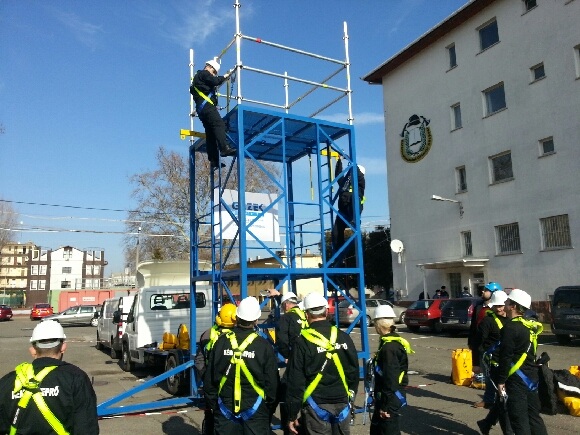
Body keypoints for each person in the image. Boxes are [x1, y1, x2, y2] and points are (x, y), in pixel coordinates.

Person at [0, 320, 99, 434]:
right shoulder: (76, 378)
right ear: (63, 347)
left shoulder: (7, 381)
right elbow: (86, 428)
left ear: (32, 350)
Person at [285, 293, 359, 435]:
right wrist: (350, 398)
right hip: (342, 402)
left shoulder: (302, 342)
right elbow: (353, 372)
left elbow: (295, 381)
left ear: (307, 315)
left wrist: (292, 414)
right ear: (326, 311)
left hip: (316, 406)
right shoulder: (344, 337)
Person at [204, 296, 279, 435]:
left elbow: (209, 380)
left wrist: (215, 406)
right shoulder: (263, 346)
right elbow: (272, 384)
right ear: (256, 320)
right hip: (255, 411)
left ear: (237, 317)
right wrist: (267, 408)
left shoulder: (220, 342)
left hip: (225, 409)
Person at [496, 289, 548, 435]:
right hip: (531, 377)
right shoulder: (528, 327)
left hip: (516, 380)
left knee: (519, 420)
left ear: (513, 306)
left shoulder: (510, 328)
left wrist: (501, 381)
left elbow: (505, 357)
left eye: (507, 301)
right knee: (534, 416)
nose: (504, 303)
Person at [370, 305, 414, 435]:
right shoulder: (390, 342)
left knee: (388, 430)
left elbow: (391, 378)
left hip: (390, 397)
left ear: (379, 324)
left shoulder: (390, 347)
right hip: (387, 395)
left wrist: (386, 406)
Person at [474, 291, 513, 435]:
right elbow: (478, 343)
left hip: (509, 362)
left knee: (503, 398)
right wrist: (479, 362)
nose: (499, 309)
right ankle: (508, 431)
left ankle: (486, 423)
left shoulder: (511, 320)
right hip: (493, 364)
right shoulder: (488, 321)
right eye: (496, 306)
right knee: (503, 398)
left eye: (502, 306)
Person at [196, 302, 237, 435]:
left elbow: (199, 361)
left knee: (211, 417)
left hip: (212, 383)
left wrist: (206, 377)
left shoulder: (208, 334)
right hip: (232, 385)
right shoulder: (239, 336)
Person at [190, 59, 237, 168]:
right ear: (210, 67)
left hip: (202, 109)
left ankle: (214, 160)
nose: (214, 74)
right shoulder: (204, 73)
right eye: (214, 72)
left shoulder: (199, 78)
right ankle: (224, 148)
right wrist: (225, 76)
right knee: (219, 124)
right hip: (206, 107)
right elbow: (215, 81)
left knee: (211, 134)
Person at [274, 291, 307, 435]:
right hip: (312, 359)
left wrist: (287, 355)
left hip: (296, 361)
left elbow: (281, 340)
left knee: (286, 391)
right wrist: (278, 295)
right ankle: (304, 422)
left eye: (282, 306)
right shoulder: (305, 315)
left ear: (287, 305)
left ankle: (288, 425)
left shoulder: (286, 318)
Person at [468, 281, 502, 395]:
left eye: (486, 290)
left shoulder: (499, 310)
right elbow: (473, 327)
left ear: (494, 293)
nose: (482, 291)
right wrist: (471, 342)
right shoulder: (479, 307)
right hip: (479, 345)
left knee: (494, 375)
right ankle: (488, 398)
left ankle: (495, 398)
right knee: (485, 374)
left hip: (493, 348)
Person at [331, 157, 366, 261]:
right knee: (336, 232)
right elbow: (338, 175)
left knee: (354, 201)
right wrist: (339, 161)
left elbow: (358, 175)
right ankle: (339, 254)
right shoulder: (346, 182)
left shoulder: (360, 181)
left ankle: (354, 220)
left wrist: (353, 165)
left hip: (353, 207)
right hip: (343, 210)